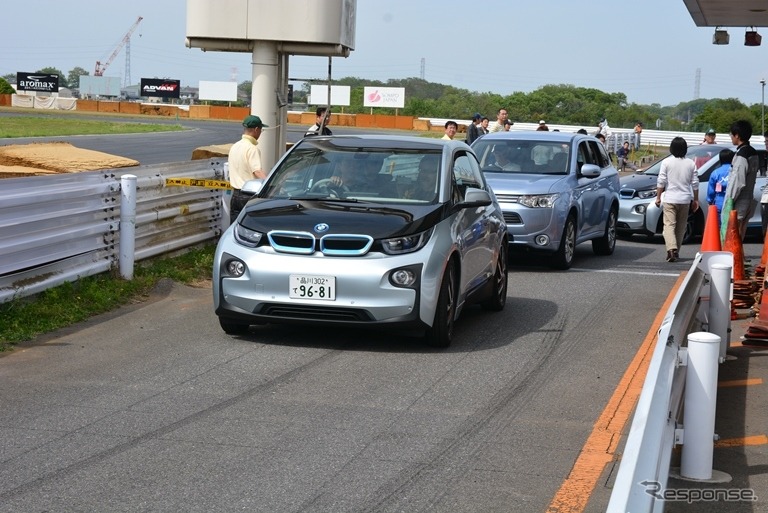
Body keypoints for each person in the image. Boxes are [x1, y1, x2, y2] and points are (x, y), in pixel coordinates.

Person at [655, 137, 699, 262]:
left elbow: (661, 181)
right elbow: (695, 183)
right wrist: (696, 200)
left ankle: (671, 249)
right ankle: (676, 251)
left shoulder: (667, 162)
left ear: (671, 148)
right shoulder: (691, 163)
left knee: (669, 225)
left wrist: (658, 197)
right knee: (681, 227)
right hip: (685, 199)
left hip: (670, 198)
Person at [228, 114, 268, 223]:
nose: (260, 133)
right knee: (249, 227)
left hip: (235, 195)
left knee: (234, 228)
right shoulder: (252, 149)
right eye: (261, 130)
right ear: (256, 129)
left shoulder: (235, 146)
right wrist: (270, 184)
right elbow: (257, 171)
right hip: (248, 197)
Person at [724, 119, 759, 240]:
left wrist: (730, 201)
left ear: (737, 135)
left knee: (733, 233)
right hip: (749, 196)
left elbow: (738, 182)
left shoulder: (742, 155)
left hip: (739, 199)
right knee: (740, 232)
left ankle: (734, 258)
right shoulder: (753, 152)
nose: (731, 137)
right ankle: (739, 257)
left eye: (731, 134)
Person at [706, 148, 733, 219]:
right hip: (732, 200)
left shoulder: (715, 173)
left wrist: (709, 201)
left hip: (719, 201)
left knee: (720, 225)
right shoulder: (735, 171)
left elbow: (711, 191)